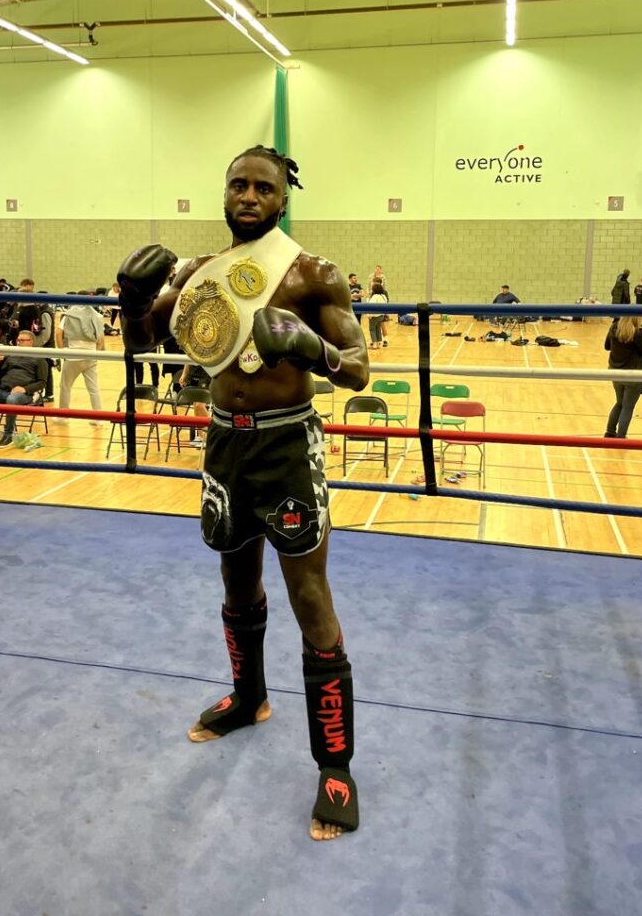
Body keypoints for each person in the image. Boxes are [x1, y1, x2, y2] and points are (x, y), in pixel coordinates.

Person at [118, 145, 369, 840]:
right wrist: (130, 299)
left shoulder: (314, 274)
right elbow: (143, 343)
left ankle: (336, 765)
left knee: (309, 596)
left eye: (263, 186)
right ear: (224, 193)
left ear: (283, 197)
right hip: (226, 440)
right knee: (235, 581)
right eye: (238, 184)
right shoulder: (198, 274)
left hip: (288, 443)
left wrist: (310, 348)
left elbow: (358, 371)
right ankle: (249, 698)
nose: (249, 195)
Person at [56, 292, 105, 421]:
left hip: (73, 355)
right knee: (93, 388)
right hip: (91, 355)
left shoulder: (69, 314)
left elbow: (58, 333)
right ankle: (98, 418)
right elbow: (101, 340)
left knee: (65, 386)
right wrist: (95, 353)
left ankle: (63, 416)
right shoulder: (97, 316)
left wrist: (62, 351)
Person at [603, 315, 642, 439]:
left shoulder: (614, 328)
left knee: (619, 403)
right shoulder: (638, 333)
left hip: (615, 372)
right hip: (633, 374)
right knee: (628, 406)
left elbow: (607, 346)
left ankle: (609, 432)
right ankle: (621, 436)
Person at [367, 278, 389, 349]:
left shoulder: (375, 296)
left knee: (372, 329)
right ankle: (379, 342)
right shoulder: (383, 296)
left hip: (375, 316)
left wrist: (369, 315)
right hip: (381, 315)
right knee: (378, 329)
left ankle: (374, 344)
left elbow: (370, 307)